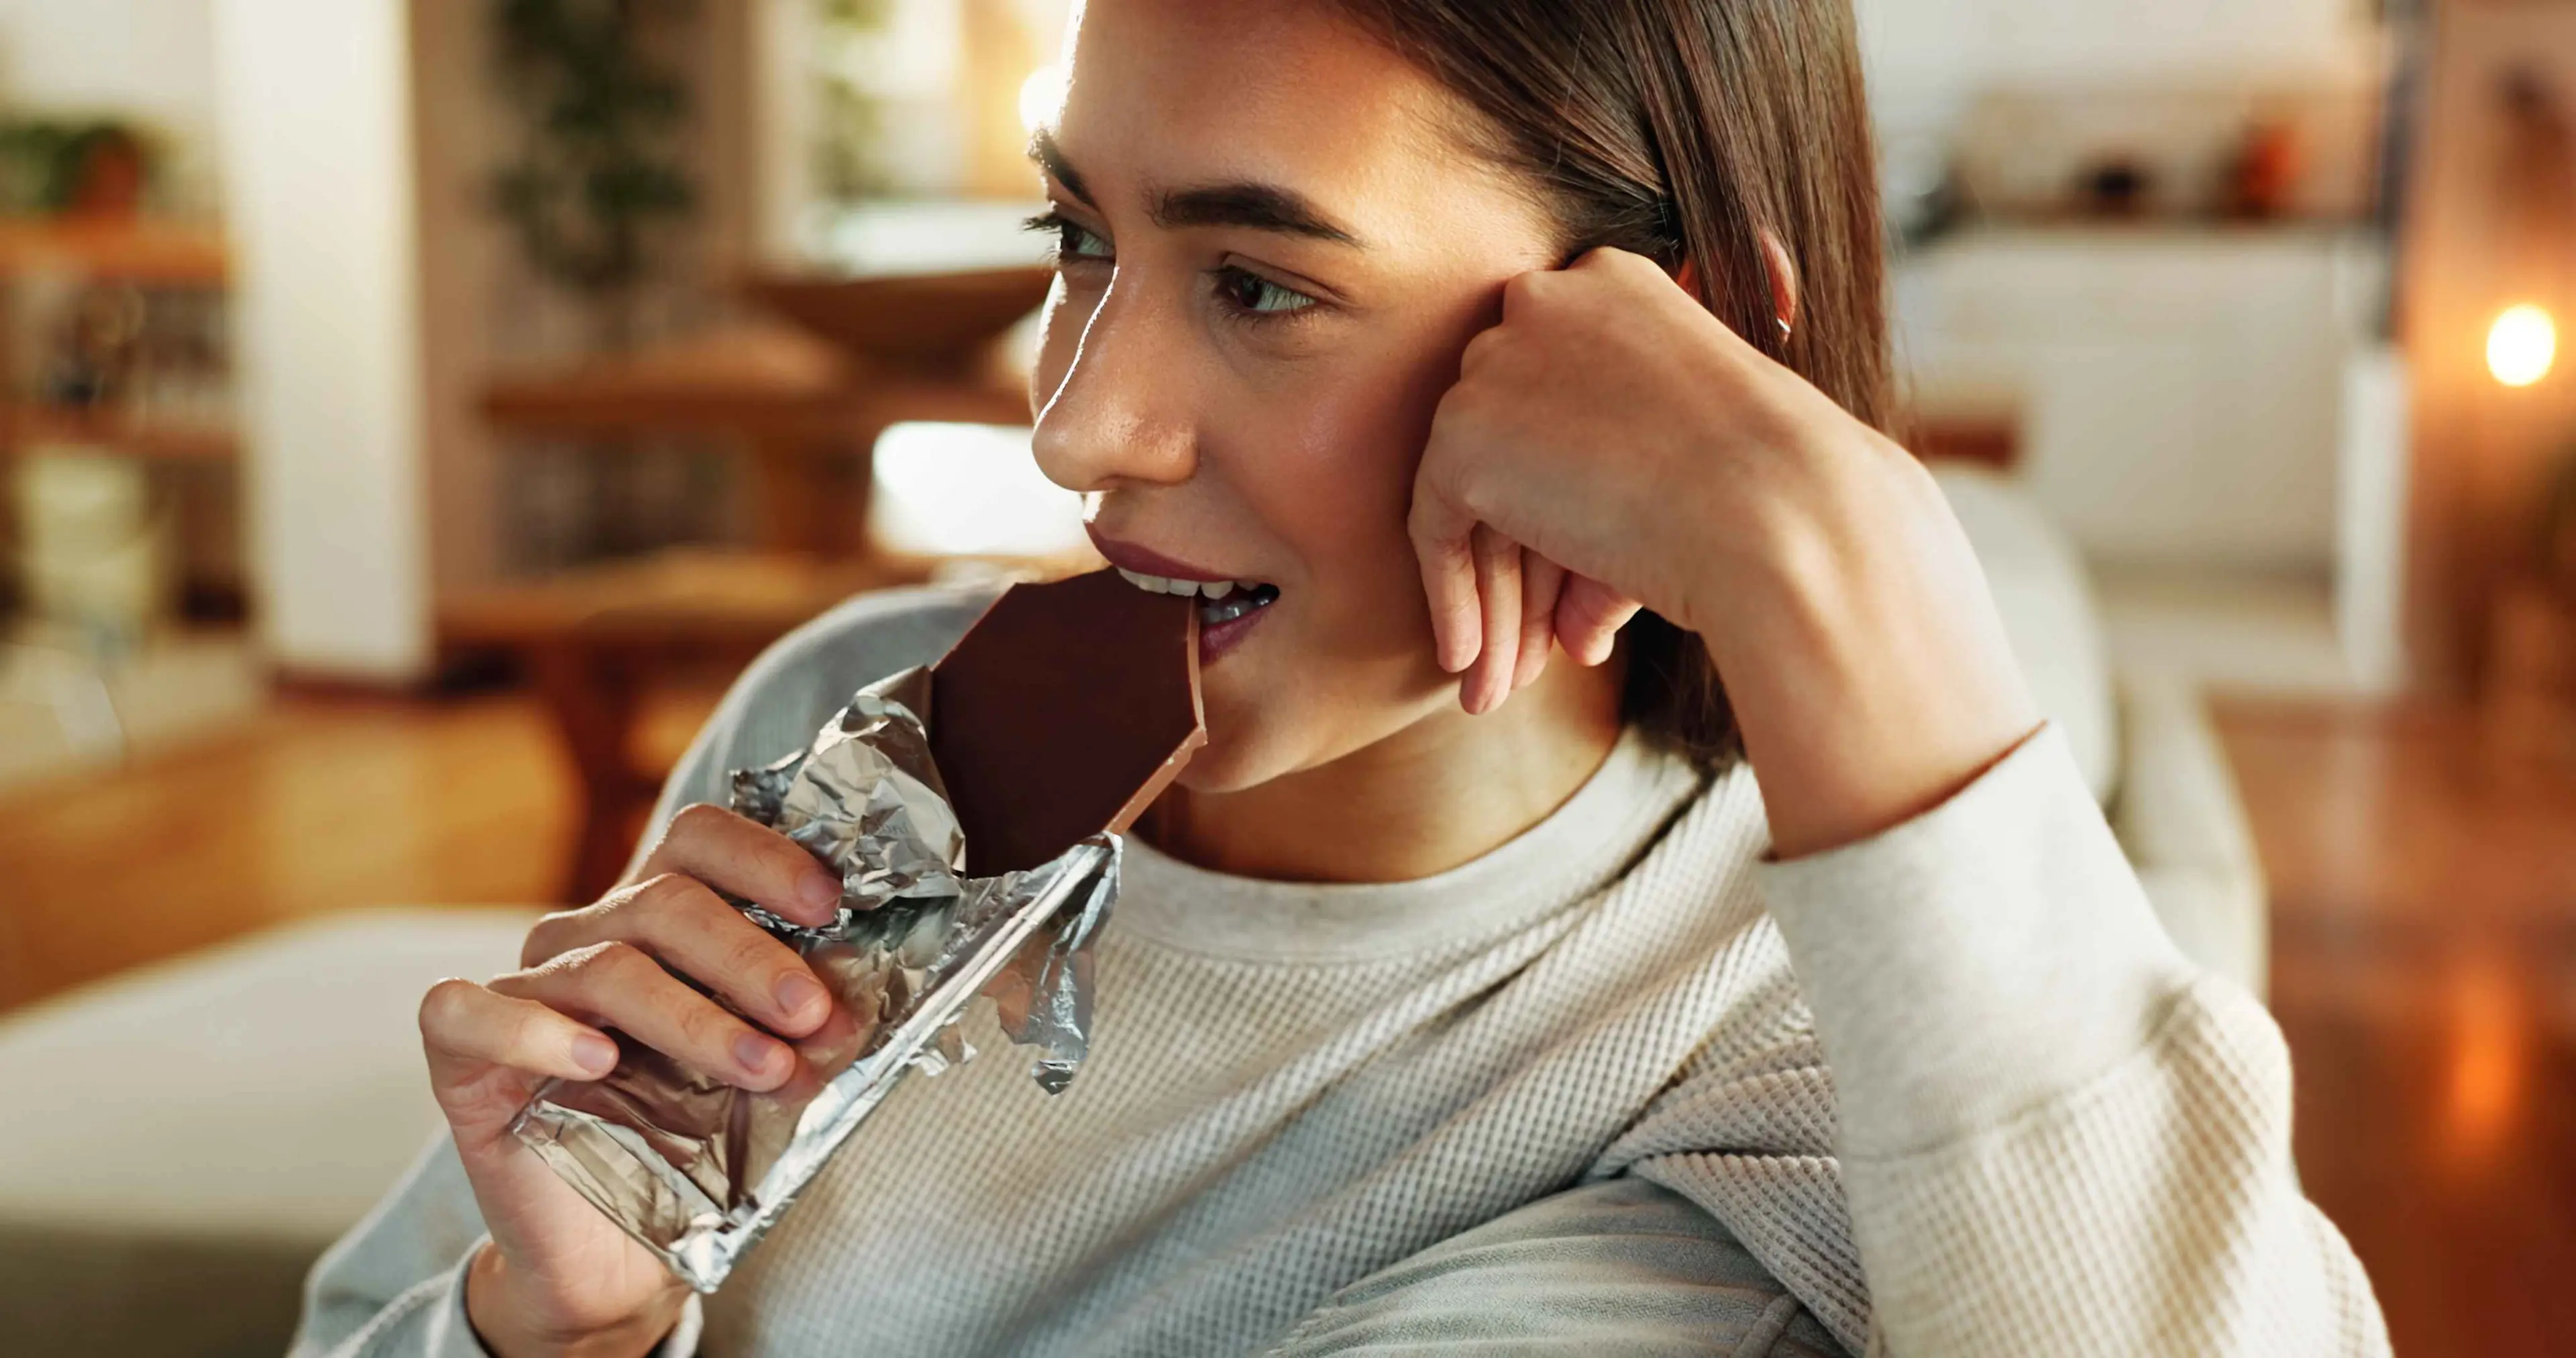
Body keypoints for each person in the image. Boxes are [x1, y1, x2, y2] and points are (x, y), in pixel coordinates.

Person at [295, 1, 2390, 1354]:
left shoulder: (1787, 1018)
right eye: (1078, 237)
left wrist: (1842, 548)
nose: (1079, 431)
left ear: (1681, 352)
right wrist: (545, 1328)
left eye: (1261, 284)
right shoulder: (851, 715)